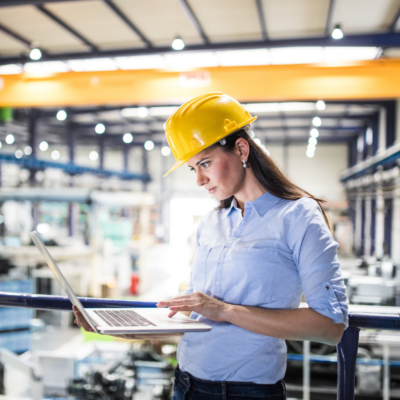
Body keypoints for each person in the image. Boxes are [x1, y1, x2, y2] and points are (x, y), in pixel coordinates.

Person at [74, 92, 348, 400]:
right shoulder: (210, 224)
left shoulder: (298, 215)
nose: (199, 180)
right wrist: (122, 328)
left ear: (241, 149)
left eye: (205, 163)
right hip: (186, 386)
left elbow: (329, 326)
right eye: (193, 168)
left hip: (248, 393)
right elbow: (197, 318)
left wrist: (224, 310)